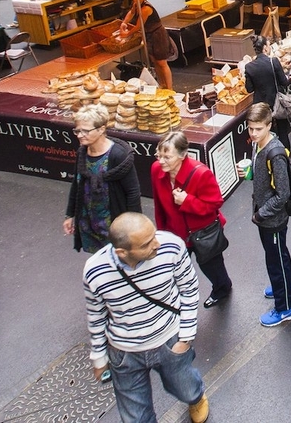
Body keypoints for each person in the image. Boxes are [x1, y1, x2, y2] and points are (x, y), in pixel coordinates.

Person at [83, 213, 209, 423]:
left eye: (154, 235)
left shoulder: (172, 247)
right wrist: (99, 358)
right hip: (125, 353)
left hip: (170, 341)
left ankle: (196, 398)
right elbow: (96, 315)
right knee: (136, 418)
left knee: (187, 390)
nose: (156, 244)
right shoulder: (95, 271)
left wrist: (185, 338)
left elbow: (189, 290)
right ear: (122, 252)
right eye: (146, 243)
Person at [152, 131, 233, 309]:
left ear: (182, 155)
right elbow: (159, 206)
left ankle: (222, 288)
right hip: (175, 234)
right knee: (174, 270)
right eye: (159, 155)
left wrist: (187, 201)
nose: (161, 161)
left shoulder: (201, 173)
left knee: (211, 266)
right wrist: (161, 234)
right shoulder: (156, 170)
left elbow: (215, 203)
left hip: (202, 233)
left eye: (167, 157)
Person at [242, 103, 291, 327]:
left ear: (269, 125)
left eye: (258, 129)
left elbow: (283, 194)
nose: (254, 133)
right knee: (279, 253)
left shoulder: (274, 152)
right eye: (250, 129)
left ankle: (285, 307)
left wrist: (260, 215)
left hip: (271, 219)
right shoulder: (259, 146)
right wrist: (250, 175)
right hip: (267, 216)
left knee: (274, 262)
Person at [64, 104, 141, 253]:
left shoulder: (118, 155)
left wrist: (134, 227)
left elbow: (132, 192)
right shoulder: (82, 152)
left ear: (101, 129)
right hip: (88, 224)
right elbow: (77, 184)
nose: (79, 135)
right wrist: (70, 214)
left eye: (85, 131)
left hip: (113, 226)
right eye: (77, 130)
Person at [121, 0, 174, 91]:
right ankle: (162, 85)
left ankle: (170, 88)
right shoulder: (136, 5)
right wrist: (123, 23)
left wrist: (126, 34)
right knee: (155, 61)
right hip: (148, 34)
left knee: (162, 62)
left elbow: (138, 26)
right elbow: (131, 13)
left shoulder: (146, 9)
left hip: (157, 35)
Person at [244, 35, 291, 149]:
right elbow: (284, 82)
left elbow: (249, 89)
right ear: (265, 47)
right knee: (283, 133)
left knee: (266, 136)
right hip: (277, 103)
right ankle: (286, 158)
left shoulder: (249, 67)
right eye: (269, 45)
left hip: (261, 106)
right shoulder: (273, 61)